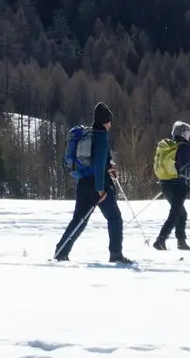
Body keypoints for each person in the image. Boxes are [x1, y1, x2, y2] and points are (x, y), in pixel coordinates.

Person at [54, 102, 130, 264]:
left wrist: (109, 165)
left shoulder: (90, 134)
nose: (110, 124)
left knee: (79, 220)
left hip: (83, 183)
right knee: (115, 218)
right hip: (98, 185)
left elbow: (100, 160)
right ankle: (116, 254)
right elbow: (99, 162)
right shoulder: (101, 135)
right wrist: (101, 189)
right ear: (106, 121)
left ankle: (61, 250)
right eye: (110, 120)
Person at [153, 120, 190, 251]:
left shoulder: (169, 146)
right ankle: (160, 240)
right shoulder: (185, 147)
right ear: (185, 133)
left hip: (165, 183)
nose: (189, 136)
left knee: (181, 213)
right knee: (175, 213)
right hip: (179, 184)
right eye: (189, 133)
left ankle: (180, 242)